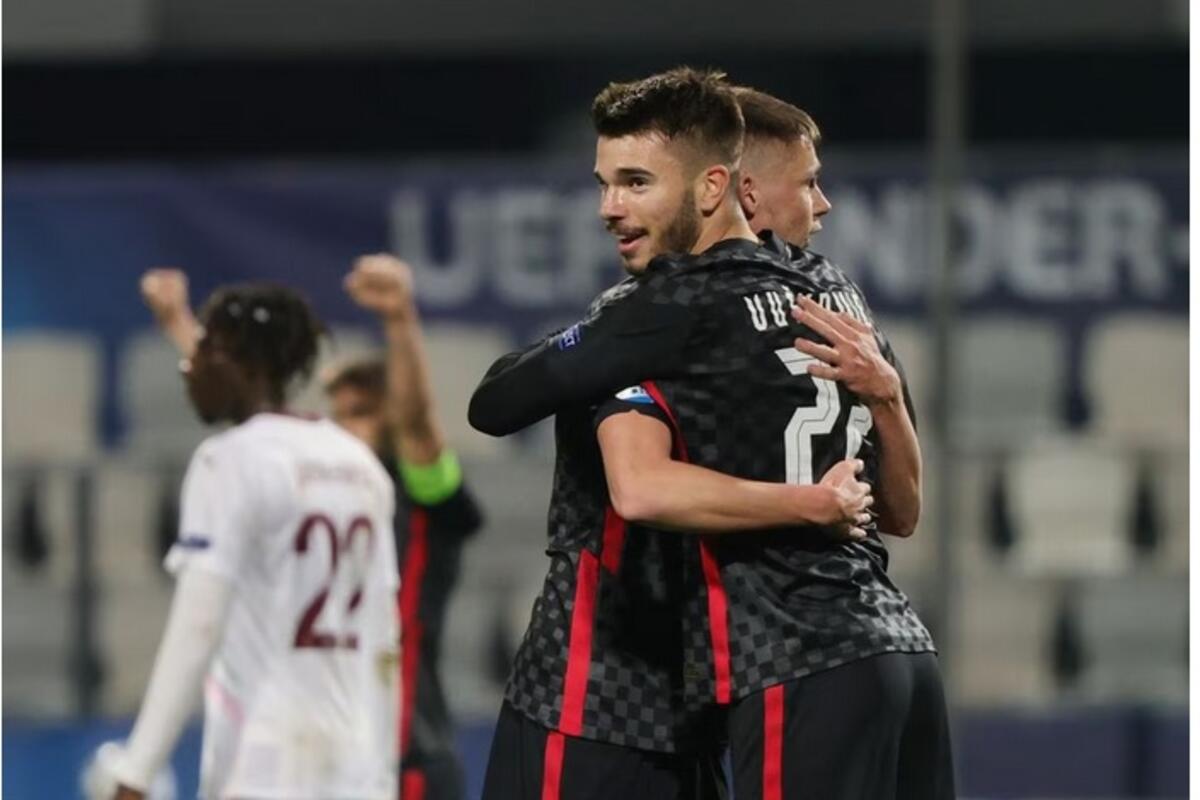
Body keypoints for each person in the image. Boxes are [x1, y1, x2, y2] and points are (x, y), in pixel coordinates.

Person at [471, 71, 953, 800]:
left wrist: (595, 335)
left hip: (651, 690)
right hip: (753, 678)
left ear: (723, 187)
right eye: (607, 184)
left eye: (635, 183)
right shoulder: (836, 297)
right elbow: (903, 512)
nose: (609, 207)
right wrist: (876, 408)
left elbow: (530, 421)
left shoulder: (663, 310)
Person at [137, 256, 484, 800]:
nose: (347, 425)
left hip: (403, 753)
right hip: (345, 755)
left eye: (363, 411)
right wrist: (180, 325)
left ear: (390, 418)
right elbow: (249, 411)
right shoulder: (337, 476)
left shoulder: (419, 488)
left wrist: (399, 320)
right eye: (340, 412)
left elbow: (416, 426)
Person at [85, 284, 400, 800]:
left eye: (205, 351)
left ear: (246, 366)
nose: (189, 367)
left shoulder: (227, 461)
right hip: (354, 772)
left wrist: (136, 774)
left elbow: (198, 625)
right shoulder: (361, 467)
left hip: (262, 766)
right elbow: (385, 642)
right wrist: (383, 778)